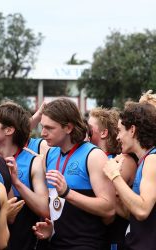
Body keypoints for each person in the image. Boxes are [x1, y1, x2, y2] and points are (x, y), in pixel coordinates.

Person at [34, 98, 115, 249]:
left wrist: (68, 193)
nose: (43, 133)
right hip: (54, 243)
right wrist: (51, 228)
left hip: (85, 244)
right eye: (42, 127)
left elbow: (109, 209)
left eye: (49, 128)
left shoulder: (94, 156)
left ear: (68, 127)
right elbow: (56, 206)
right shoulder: (49, 155)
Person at [0, 102, 49, 250]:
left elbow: (44, 209)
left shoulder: (34, 161)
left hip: (23, 243)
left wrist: (16, 182)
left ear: (9, 130)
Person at [103, 102, 156, 250]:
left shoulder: (152, 159)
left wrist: (114, 175)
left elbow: (142, 211)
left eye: (120, 131)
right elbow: (131, 215)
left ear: (132, 130)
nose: (117, 137)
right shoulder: (144, 160)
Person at [88, 107, 137, 250]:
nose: (86, 131)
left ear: (103, 133)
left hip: (114, 235)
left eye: (89, 129)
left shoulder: (122, 160)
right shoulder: (89, 158)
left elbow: (110, 210)